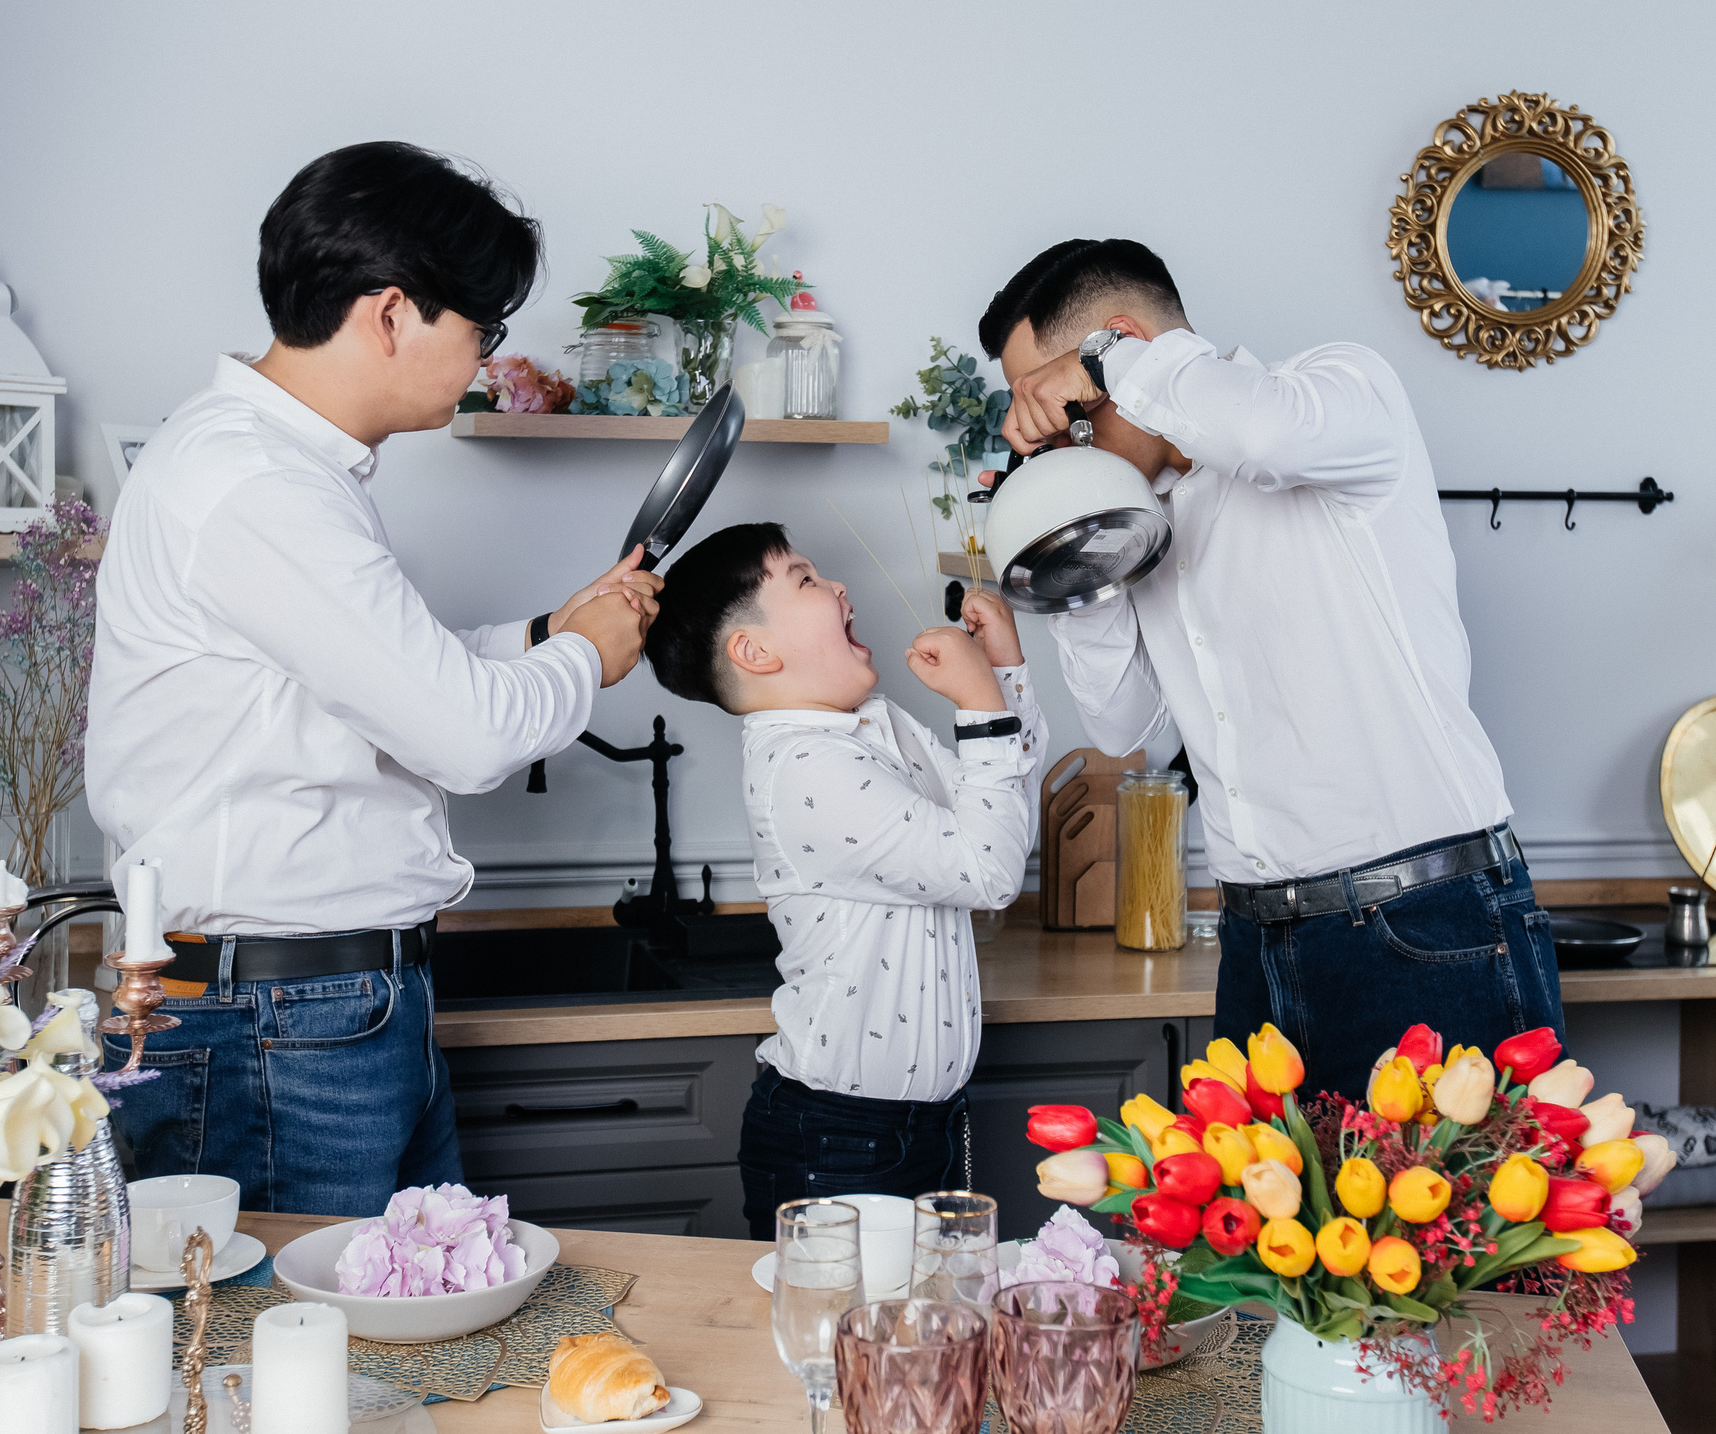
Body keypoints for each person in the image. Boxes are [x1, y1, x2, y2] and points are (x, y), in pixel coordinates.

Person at [86, 140, 660, 1215]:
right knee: (288, 1359)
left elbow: (385, 685)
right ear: (391, 312)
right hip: (283, 1023)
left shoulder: (271, 468)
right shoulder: (258, 483)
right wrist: (587, 657)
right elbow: (468, 737)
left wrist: (551, 629)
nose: (486, 359)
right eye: (481, 330)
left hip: (322, 1007)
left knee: (382, 1352)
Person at [978, 238, 1557, 1097]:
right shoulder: (1145, 516)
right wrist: (1073, 545)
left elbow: (1259, 431)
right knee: (1253, 1236)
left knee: (1454, 1231)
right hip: (1257, 940)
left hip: (1425, 926)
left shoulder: (1340, 390)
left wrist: (1108, 363)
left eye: (1061, 405)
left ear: (1122, 346)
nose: (1059, 436)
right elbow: (1124, 726)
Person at [639, 523, 1043, 1239]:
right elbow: (990, 871)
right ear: (754, 651)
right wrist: (979, 704)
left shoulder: (872, 725)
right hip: (841, 1142)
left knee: (928, 1349)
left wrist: (1004, 672)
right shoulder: (804, 768)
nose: (838, 586)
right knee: (843, 1353)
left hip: (923, 1126)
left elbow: (1001, 820)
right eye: (804, 579)